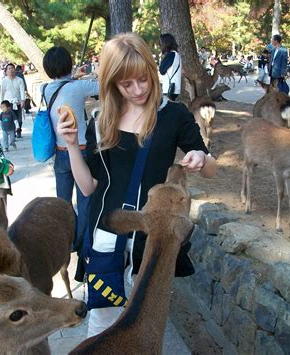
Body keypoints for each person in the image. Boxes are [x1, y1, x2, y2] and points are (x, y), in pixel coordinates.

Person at [56, 32, 216, 337]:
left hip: (151, 237)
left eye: (143, 79)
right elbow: (88, 187)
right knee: (102, 321)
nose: (138, 89)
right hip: (105, 233)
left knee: (145, 324)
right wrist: (72, 145)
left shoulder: (173, 115)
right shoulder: (100, 120)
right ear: (112, 83)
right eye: (126, 84)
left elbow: (211, 168)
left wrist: (199, 156)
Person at [42, 46, 99, 252]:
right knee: (85, 200)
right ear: (69, 64)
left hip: (59, 151)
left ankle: (66, 238)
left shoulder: (45, 89)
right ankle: (81, 241)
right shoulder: (79, 87)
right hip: (81, 149)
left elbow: (64, 85)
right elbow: (102, 87)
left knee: (63, 201)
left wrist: (73, 77)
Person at [0, 63, 25, 138]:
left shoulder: (19, 80)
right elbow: (2, 92)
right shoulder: (4, 81)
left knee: (19, 118)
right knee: (11, 118)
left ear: (15, 70)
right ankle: (12, 132)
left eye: (12, 68)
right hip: (8, 103)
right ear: (6, 71)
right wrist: (2, 102)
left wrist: (23, 100)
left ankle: (19, 130)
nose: (10, 70)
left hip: (18, 101)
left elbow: (22, 91)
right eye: (9, 69)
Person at [159, 33, 181, 101]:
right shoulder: (177, 55)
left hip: (169, 88)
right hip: (175, 88)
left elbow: (162, 70)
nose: (160, 45)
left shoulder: (171, 55)